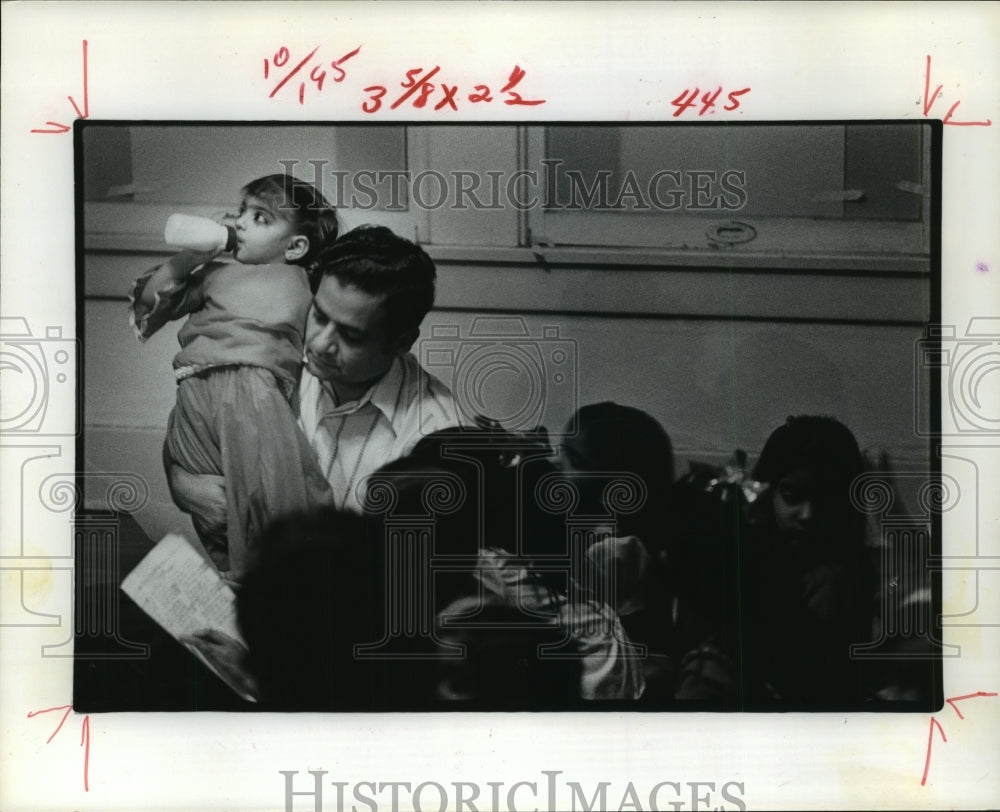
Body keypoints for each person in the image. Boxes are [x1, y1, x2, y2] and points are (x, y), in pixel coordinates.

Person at [165, 224, 460, 554]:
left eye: (350, 336)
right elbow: (196, 425)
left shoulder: (433, 438)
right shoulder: (279, 350)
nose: (319, 343)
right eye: (319, 316)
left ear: (401, 342)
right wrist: (183, 484)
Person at [132, 173, 338, 580]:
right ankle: (237, 587)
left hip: (253, 391)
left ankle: (292, 584)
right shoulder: (215, 273)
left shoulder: (306, 285)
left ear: (296, 247)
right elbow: (148, 302)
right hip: (193, 392)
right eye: (240, 212)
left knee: (277, 495)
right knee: (215, 506)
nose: (240, 223)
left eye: (261, 218)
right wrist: (190, 256)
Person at [674, 415, 876, 706]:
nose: (808, 515)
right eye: (792, 496)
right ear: (767, 491)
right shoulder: (738, 559)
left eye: (826, 499)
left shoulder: (836, 582)